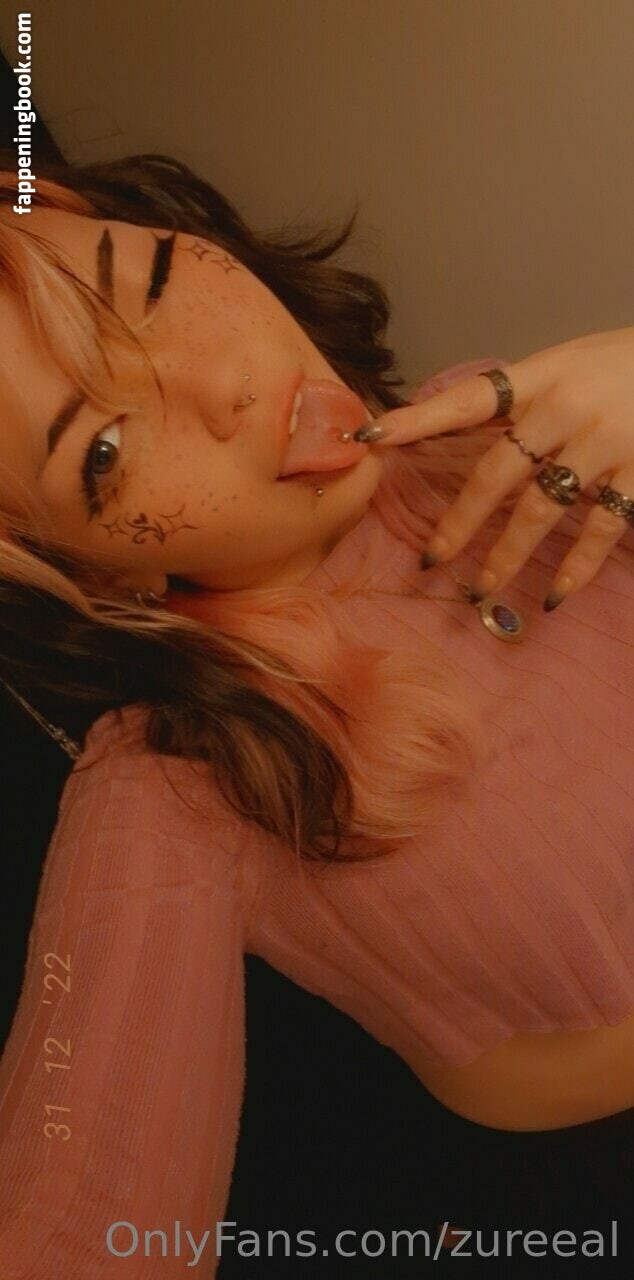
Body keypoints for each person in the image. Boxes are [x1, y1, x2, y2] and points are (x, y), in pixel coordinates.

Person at [0, 149, 632, 1277]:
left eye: (149, 285)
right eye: (104, 449)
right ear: (80, 568)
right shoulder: (177, 782)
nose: (220, 384)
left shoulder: (507, 439)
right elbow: (82, 1215)